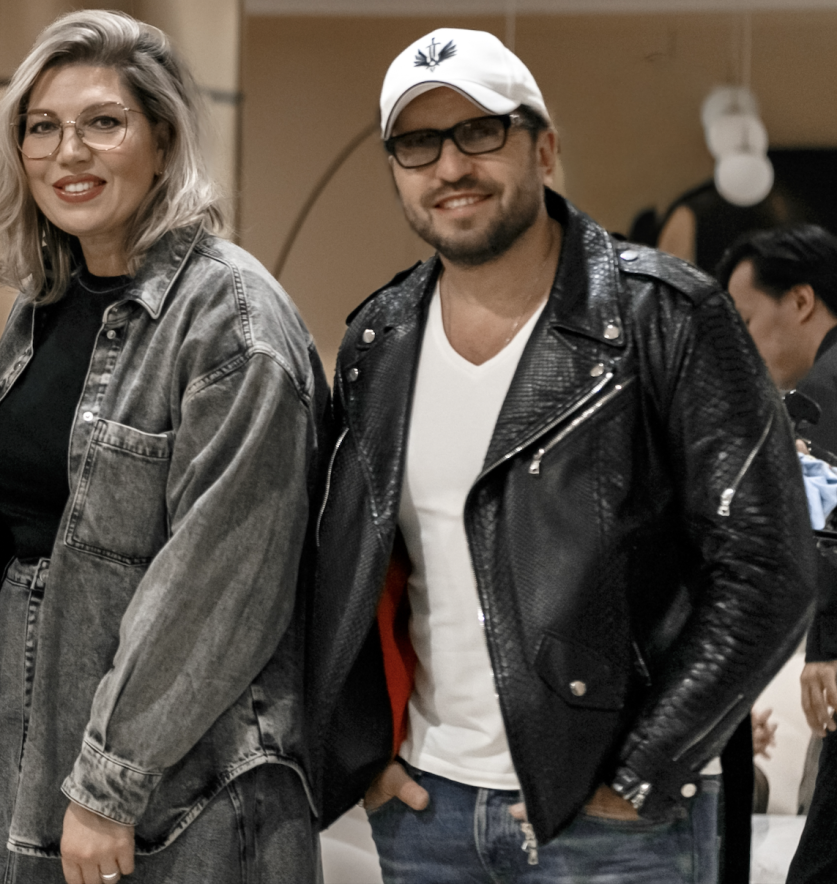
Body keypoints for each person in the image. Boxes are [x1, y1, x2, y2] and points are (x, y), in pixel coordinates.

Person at [308, 29, 815, 883]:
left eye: (479, 132)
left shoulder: (667, 316)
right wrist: (366, 760)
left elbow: (770, 568)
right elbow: (347, 569)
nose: (450, 165)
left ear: (542, 149)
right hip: (428, 815)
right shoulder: (377, 341)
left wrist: (640, 774)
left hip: (619, 828)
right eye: (418, 143)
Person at [0, 12, 324, 883]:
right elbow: (32, 488)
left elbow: (221, 584)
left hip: (174, 775)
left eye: (103, 123)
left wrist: (109, 786)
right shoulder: (47, 301)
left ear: (163, 139)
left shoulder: (232, 322)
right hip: (14, 728)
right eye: (43, 127)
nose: (68, 152)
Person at [714, 224, 837, 884]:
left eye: (745, 320)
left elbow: (829, 528)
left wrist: (827, 647)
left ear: (801, 300)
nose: (741, 344)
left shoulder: (822, 392)